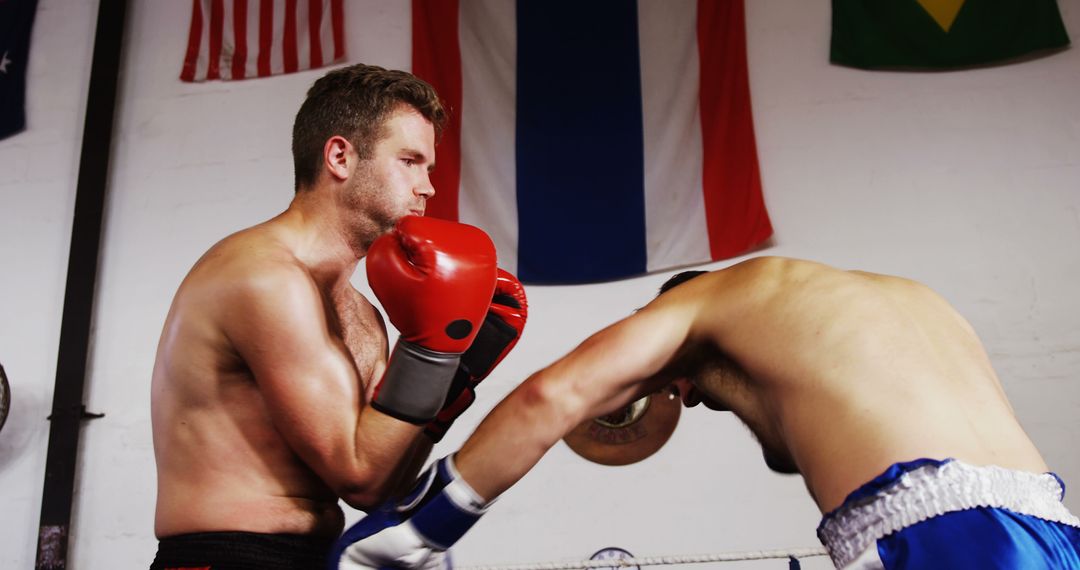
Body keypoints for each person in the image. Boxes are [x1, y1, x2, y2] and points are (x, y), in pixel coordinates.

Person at [331, 256, 1080, 570]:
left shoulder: (707, 300)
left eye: (679, 386)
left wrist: (420, 530)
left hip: (945, 540)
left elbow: (550, 397)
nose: (687, 399)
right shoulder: (908, 301)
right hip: (1054, 532)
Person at [149, 64, 527, 569]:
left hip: (314, 555)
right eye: (411, 161)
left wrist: (452, 378)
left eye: (428, 167)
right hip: (224, 555)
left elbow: (380, 486)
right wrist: (434, 355)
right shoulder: (262, 277)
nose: (428, 187)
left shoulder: (363, 314)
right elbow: (357, 472)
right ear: (340, 156)